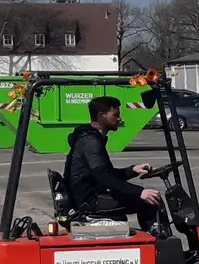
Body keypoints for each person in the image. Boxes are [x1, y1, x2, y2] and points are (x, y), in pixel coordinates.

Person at [65, 96, 163, 230]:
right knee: (151, 200)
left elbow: (106, 173)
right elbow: (103, 176)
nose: (119, 118)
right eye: (115, 115)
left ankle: (156, 237)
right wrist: (140, 192)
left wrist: (132, 170)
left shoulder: (92, 138)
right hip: (90, 201)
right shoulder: (91, 142)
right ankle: (159, 240)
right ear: (101, 116)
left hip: (90, 196)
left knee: (147, 197)